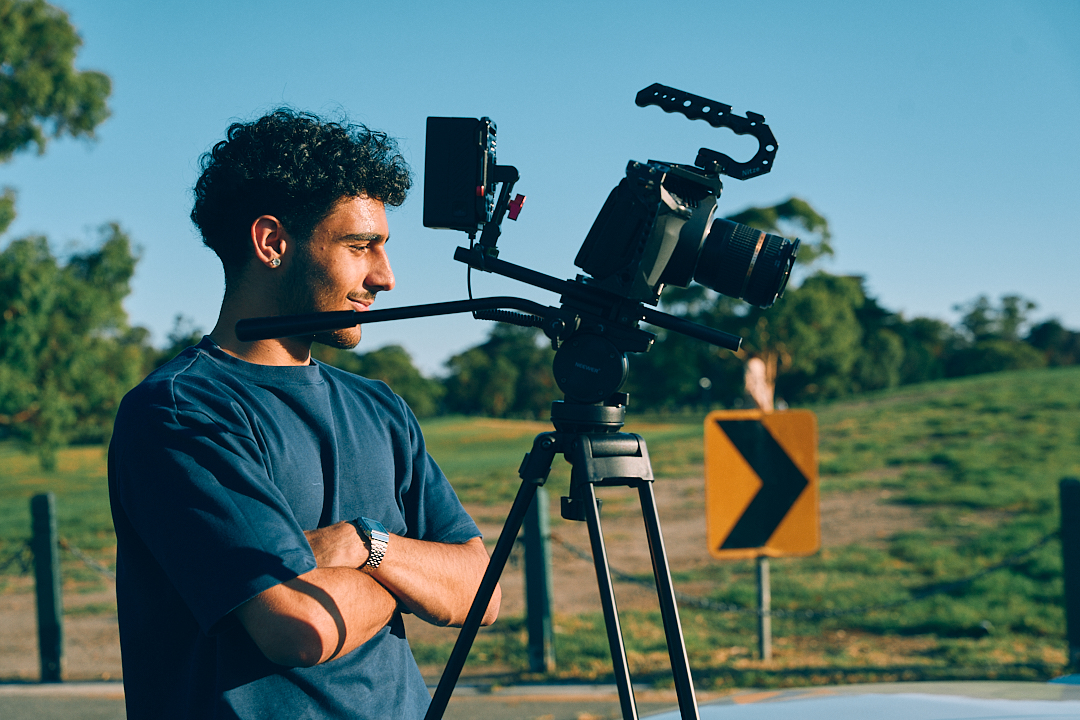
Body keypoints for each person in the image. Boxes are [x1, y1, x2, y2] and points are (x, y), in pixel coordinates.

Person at [108, 109, 500, 720]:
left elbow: (481, 591)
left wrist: (365, 545)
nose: (385, 277)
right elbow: (300, 627)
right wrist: (412, 578)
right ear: (272, 243)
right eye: (359, 246)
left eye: (384, 247)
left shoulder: (381, 407)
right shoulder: (181, 411)